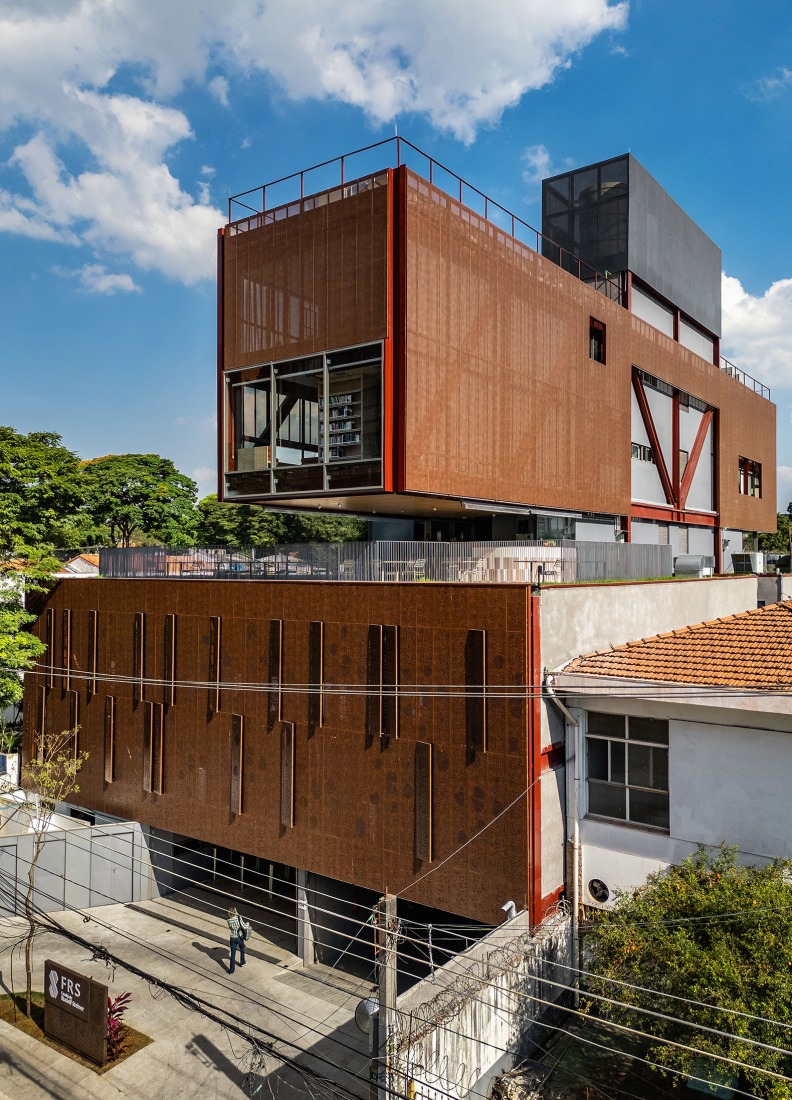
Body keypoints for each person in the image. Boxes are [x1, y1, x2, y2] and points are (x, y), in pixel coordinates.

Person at [227, 906, 246, 973]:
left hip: (232, 937)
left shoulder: (229, 920)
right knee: (242, 947)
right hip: (239, 937)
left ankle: (231, 970)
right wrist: (248, 924)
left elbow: (230, 928)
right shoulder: (238, 918)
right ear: (235, 911)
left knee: (233, 954)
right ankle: (242, 962)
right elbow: (243, 926)